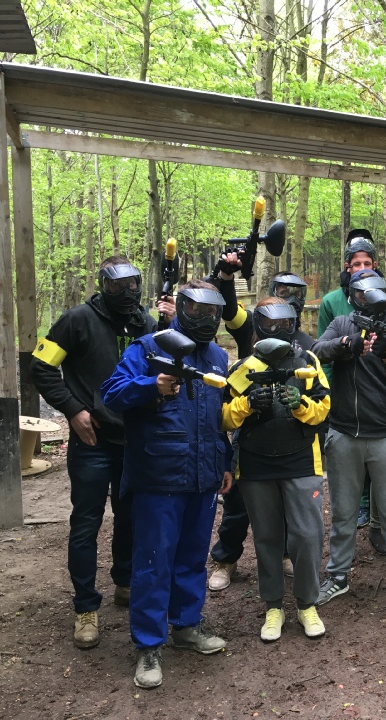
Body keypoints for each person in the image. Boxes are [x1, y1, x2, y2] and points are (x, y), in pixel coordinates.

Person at [31, 256, 173, 649]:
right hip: (92, 440)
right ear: (102, 285)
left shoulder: (145, 322)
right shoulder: (77, 320)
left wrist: (169, 324)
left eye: (132, 284)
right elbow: (41, 366)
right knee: (86, 524)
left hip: (134, 439)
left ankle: (124, 582)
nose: (126, 292)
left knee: (131, 517)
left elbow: (162, 366)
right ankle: (85, 607)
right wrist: (73, 409)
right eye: (116, 286)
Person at [101, 280, 232, 689]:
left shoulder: (217, 356)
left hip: (204, 474)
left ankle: (186, 626)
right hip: (159, 474)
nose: (206, 319)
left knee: (192, 557)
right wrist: (151, 386)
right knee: (154, 561)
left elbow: (218, 416)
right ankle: (148, 644)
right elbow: (111, 393)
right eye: (197, 311)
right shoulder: (146, 348)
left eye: (213, 313)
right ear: (181, 307)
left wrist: (226, 461)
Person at [312, 270, 386, 614]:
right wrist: (345, 346)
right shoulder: (342, 324)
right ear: (354, 296)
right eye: (361, 294)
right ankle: (338, 576)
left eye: (373, 293)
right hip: (344, 433)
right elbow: (317, 351)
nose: (367, 300)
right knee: (344, 514)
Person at [222, 298, 331, 641]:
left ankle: (307, 603)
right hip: (256, 464)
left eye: (285, 323)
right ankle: (273, 606)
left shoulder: (306, 361)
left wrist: (299, 404)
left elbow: (323, 408)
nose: (278, 329)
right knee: (267, 537)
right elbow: (224, 417)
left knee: (307, 536)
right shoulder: (245, 367)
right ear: (258, 324)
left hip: (301, 461)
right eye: (271, 324)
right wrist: (247, 404)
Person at [207, 269, 313, 591]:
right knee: (237, 506)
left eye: (296, 292)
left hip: (291, 442)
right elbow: (230, 310)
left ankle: (284, 554)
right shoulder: (248, 347)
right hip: (251, 442)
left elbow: (319, 395)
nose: (290, 297)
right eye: (283, 290)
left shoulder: (306, 347)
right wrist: (226, 277)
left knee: (284, 504)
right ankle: (226, 559)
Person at [316, 232, 386, 556]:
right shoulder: (337, 312)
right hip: (345, 415)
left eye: (367, 264)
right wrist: (346, 346)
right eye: (356, 265)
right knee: (344, 503)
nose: (362, 269)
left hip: (384, 420)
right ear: (348, 270)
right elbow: (319, 349)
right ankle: (340, 566)